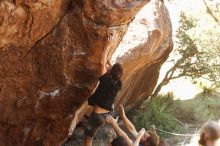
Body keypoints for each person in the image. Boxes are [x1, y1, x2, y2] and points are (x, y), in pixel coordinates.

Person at [84, 62, 123, 146]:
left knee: (87, 141)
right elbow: (116, 75)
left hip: (97, 116)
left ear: (110, 73)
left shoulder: (106, 81)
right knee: (90, 138)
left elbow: (101, 63)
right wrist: (110, 65)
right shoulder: (118, 85)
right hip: (106, 115)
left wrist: (106, 48)